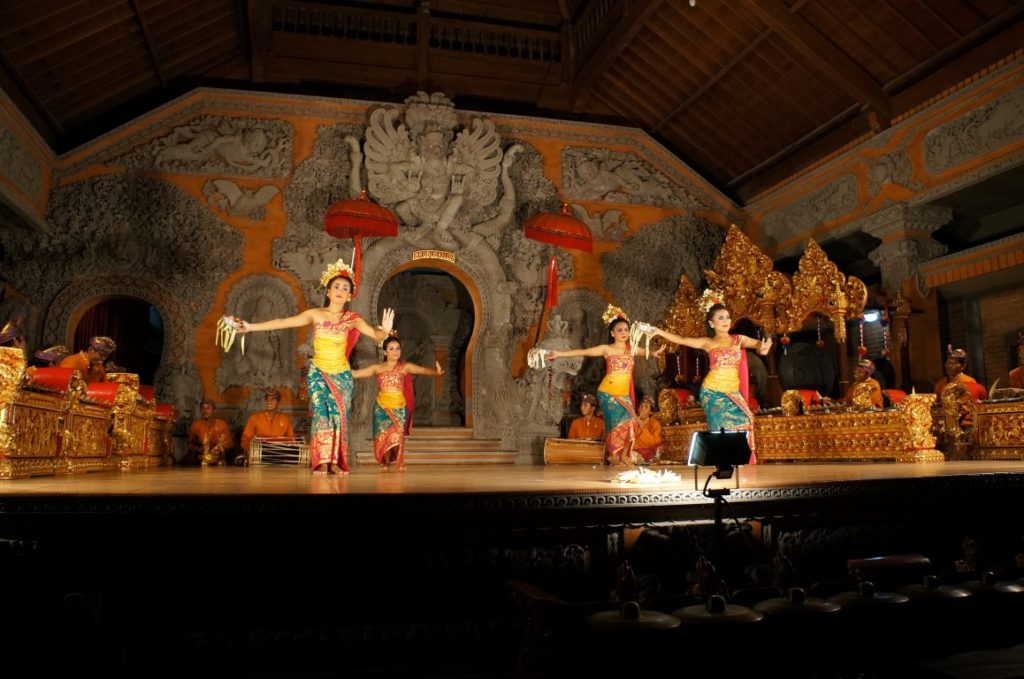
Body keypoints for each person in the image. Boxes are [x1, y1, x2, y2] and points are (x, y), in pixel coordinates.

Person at [236, 258, 394, 475]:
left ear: (350, 295)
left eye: (345, 288)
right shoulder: (315, 314)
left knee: (339, 419)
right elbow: (283, 322)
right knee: (321, 416)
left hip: (341, 376)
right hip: (319, 373)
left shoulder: (352, 318)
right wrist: (250, 326)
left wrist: (384, 331)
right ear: (329, 291)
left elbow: (376, 336)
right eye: (336, 286)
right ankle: (322, 462)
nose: (340, 290)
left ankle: (336, 462)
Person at [648, 302, 772, 463]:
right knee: (722, 427)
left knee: (746, 420)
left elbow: (758, 345)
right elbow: (682, 339)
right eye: (720, 318)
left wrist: (764, 348)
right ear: (712, 323)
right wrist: (658, 331)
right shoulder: (709, 343)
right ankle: (723, 462)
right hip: (712, 392)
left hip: (731, 392)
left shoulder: (738, 339)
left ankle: (737, 460)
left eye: (727, 317)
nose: (726, 320)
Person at [545, 305, 645, 466]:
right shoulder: (606, 349)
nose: (624, 333)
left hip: (623, 394)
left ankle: (625, 455)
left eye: (626, 329)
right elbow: (583, 352)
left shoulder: (631, 349)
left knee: (632, 422)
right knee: (615, 423)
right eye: (619, 330)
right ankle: (613, 455)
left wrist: (655, 353)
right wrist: (559, 354)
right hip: (608, 393)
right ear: (612, 333)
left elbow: (645, 351)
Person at [351, 334, 444, 471]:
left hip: (399, 408)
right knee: (383, 436)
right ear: (385, 352)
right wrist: (337, 367)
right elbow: (356, 374)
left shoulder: (404, 367)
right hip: (381, 408)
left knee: (396, 437)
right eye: (392, 348)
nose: (395, 352)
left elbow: (422, 370)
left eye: (398, 348)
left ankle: (396, 459)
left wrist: (435, 372)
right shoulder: (378, 368)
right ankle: (386, 461)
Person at [239, 388, 295, 464]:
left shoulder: (285, 419)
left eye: (273, 400)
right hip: (259, 457)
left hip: (280, 457)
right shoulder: (255, 418)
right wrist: (250, 450)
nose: (269, 402)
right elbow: (245, 439)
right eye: (267, 399)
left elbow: (291, 441)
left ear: (279, 403)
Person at [187, 398, 235, 466]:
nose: (205, 411)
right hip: (203, 454)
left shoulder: (222, 424)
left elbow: (229, 443)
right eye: (203, 409)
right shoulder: (196, 425)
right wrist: (199, 449)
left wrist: (219, 448)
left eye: (208, 408)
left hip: (219, 454)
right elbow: (190, 444)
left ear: (213, 410)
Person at [632, 394, 663, 464]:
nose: (642, 409)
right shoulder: (632, 422)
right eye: (641, 406)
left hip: (647, 451)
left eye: (646, 407)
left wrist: (642, 427)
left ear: (651, 412)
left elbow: (654, 443)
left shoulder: (655, 424)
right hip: (633, 450)